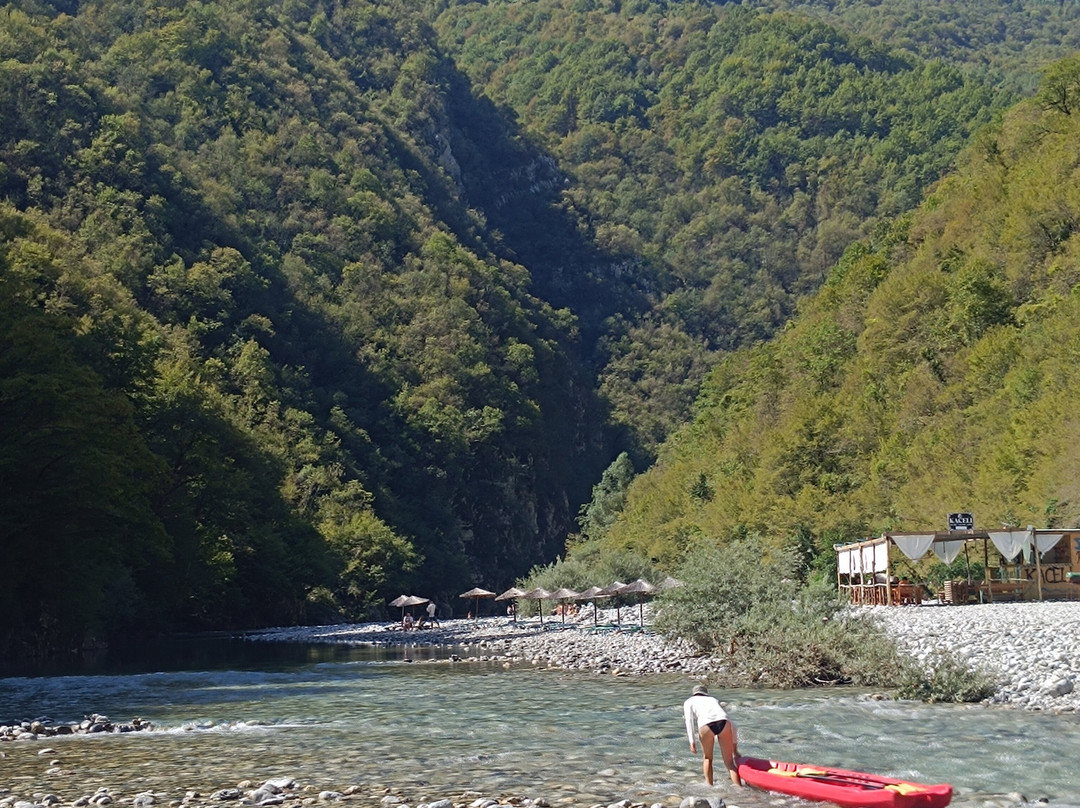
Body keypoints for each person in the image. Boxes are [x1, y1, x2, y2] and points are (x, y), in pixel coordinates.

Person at [683, 684, 742, 787]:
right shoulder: (713, 699)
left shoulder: (689, 702)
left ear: (694, 693)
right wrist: (735, 749)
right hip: (724, 722)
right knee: (729, 762)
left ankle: (710, 786)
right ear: (706, 693)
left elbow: (689, 721)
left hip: (705, 725)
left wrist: (692, 742)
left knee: (708, 758)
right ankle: (739, 788)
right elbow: (733, 725)